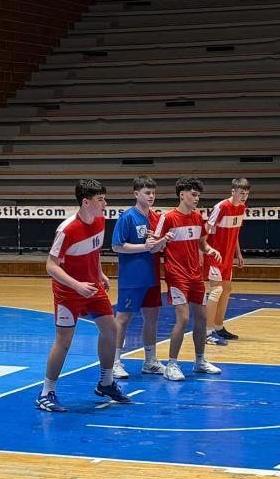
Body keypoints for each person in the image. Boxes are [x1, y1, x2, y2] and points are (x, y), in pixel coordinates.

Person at [36, 179, 131, 412]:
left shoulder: (100, 220)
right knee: (64, 341)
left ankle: (106, 383)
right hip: (68, 292)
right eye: (100, 200)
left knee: (111, 330)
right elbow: (51, 266)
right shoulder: (67, 229)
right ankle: (46, 393)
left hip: (92, 288)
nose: (105, 204)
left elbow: (94, 251)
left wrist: (100, 274)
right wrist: (77, 285)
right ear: (86, 202)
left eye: (104, 199)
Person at [152, 177, 223, 381]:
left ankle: (200, 361)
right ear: (182, 195)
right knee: (183, 319)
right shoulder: (168, 218)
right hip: (176, 276)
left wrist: (210, 250)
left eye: (198, 195)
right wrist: (162, 240)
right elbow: (153, 246)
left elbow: (201, 243)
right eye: (193, 194)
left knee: (202, 318)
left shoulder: (198, 217)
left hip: (195, 276)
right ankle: (171, 365)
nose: (197, 198)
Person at [110, 176, 168, 379]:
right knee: (123, 318)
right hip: (132, 277)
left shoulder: (157, 218)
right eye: (147, 193)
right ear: (136, 194)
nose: (151, 196)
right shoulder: (127, 217)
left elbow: (155, 247)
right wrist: (144, 246)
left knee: (152, 317)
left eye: (153, 193)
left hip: (152, 275)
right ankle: (114, 362)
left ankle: (150, 361)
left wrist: (163, 241)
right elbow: (116, 246)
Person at [204, 177, 250, 346]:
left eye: (246, 193)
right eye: (241, 193)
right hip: (215, 255)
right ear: (233, 191)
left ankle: (219, 326)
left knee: (227, 289)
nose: (244, 196)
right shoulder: (221, 207)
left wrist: (239, 253)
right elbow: (206, 229)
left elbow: (235, 232)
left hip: (228, 257)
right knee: (216, 290)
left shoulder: (242, 208)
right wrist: (203, 251)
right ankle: (207, 332)